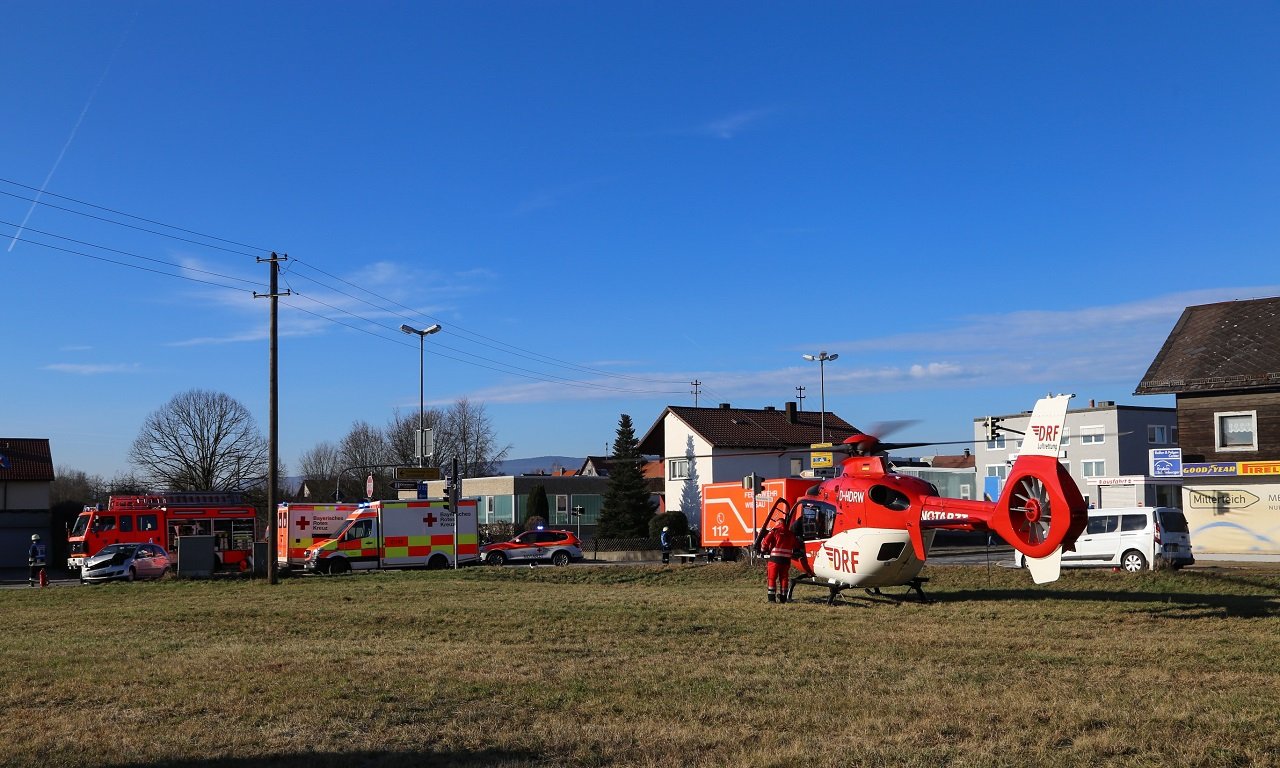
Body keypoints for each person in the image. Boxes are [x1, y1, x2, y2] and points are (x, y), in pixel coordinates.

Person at [758, 521, 799, 603]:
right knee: (784, 578)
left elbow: (765, 542)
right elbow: (796, 545)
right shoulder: (791, 533)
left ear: (777, 524)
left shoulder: (774, 531)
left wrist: (763, 550)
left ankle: (771, 599)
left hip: (775, 559)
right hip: (786, 559)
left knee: (772, 578)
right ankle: (783, 598)